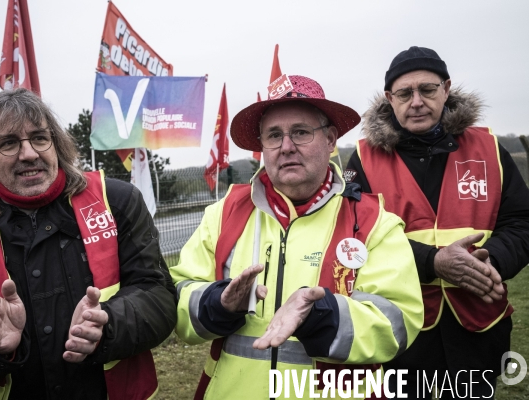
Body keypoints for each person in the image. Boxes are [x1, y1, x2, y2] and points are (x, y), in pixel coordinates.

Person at [171, 75, 424, 399]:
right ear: (262, 146)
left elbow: (397, 321)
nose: (286, 146)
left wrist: (320, 316)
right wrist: (218, 304)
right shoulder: (222, 214)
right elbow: (178, 295)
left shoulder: (374, 222)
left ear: (331, 140)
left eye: (301, 132)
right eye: (274, 135)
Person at [0, 88, 177, 400]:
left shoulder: (117, 201)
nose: (29, 153)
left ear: (56, 144)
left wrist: (107, 326)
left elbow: (160, 297)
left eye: (39, 138)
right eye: (8, 143)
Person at [346, 46, 529, 398]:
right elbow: (353, 239)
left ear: (446, 89)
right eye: (404, 93)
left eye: (427, 90)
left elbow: (521, 222)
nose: (416, 101)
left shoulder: (489, 148)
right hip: (401, 329)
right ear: (390, 98)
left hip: (479, 325)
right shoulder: (364, 159)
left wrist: (491, 260)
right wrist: (433, 262)